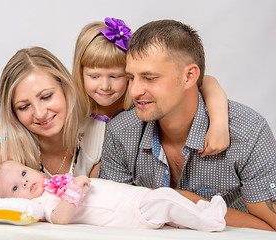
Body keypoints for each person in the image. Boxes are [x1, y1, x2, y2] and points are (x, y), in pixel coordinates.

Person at [98, 19, 276, 231]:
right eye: (131, 78)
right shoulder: (121, 132)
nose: (134, 91)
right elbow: (111, 220)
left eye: (149, 78)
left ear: (189, 76)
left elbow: (271, 225)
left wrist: (185, 202)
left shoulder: (248, 132)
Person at [72, 17, 230, 177]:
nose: (104, 86)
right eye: (94, 76)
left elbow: (206, 82)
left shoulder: (143, 105)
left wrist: (219, 123)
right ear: (80, 73)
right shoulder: (75, 112)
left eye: (115, 76)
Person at [0, 160, 227, 232]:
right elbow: (60, 218)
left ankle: (197, 215)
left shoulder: (51, 184)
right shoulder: (42, 202)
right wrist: (74, 190)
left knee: (168, 205)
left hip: (132, 197)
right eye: (16, 188)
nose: (25, 181)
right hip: (131, 212)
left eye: (23, 172)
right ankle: (209, 221)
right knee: (165, 198)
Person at [0, 47, 88, 191]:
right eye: (24, 107)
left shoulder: (98, 134)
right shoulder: (0, 149)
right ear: (13, 113)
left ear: (65, 87)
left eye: (46, 96)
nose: (39, 114)